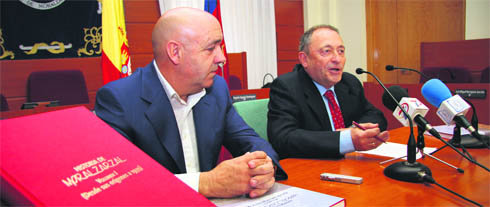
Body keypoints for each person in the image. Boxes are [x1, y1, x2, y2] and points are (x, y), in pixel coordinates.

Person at [95, 7, 287, 198]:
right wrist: (204, 183)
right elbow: (119, 183)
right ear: (175, 52)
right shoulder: (119, 99)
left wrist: (263, 167)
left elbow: (250, 141)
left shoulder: (216, 89)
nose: (222, 58)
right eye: (211, 48)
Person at [267, 25, 389, 159]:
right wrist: (345, 139)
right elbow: (284, 138)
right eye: (327, 51)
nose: (337, 59)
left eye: (341, 51)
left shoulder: (349, 83)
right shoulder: (287, 86)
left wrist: (358, 132)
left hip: (350, 162)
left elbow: (375, 115)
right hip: (312, 167)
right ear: (304, 59)